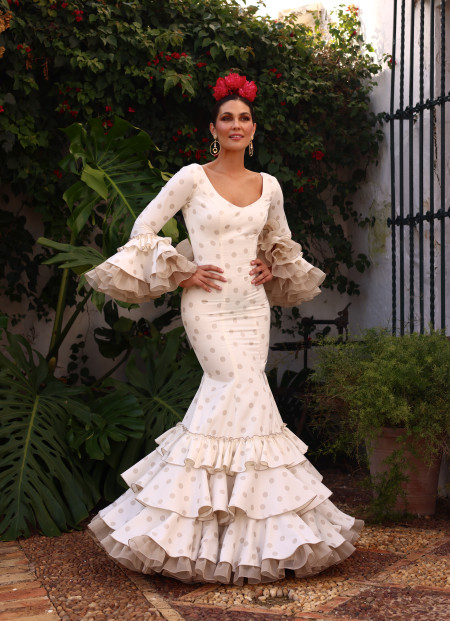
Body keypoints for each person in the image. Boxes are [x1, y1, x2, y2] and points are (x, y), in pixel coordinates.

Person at [85, 73, 363, 585]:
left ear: (253, 130)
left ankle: (228, 535)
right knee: (235, 383)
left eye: (245, 118)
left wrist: (270, 265)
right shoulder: (192, 177)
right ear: (213, 129)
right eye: (227, 118)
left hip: (251, 307)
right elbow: (143, 228)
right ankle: (224, 531)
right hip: (208, 306)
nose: (237, 125)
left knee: (243, 397)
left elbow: (281, 241)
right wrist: (183, 271)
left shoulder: (269, 185)